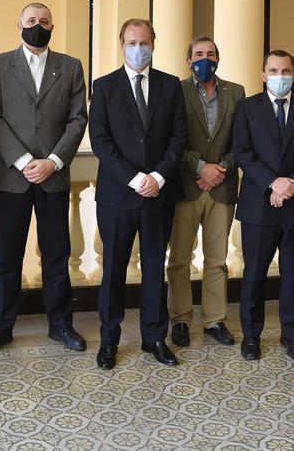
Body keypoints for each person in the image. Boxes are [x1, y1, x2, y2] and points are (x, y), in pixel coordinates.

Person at [0, 3, 89, 356]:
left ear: (52, 26)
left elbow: (78, 119)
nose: (36, 25)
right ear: (19, 25)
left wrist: (52, 162)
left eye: (43, 21)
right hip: (14, 177)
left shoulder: (71, 66)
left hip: (53, 177)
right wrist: (26, 161)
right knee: (7, 257)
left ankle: (61, 325)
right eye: (30, 21)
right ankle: (0, 328)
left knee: (57, 254)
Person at [89, 18, 187, 369]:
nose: (138, 48)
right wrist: (135, 178)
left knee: (154, 268)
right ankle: (109, 340)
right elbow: (100, 141)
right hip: (118, 195)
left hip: (159, 194)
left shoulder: (170, 86)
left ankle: (154, 338)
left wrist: (157, 177)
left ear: (153, 44)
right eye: (132, 42)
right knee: (113, 268)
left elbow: (179, 137)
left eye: (144, 42)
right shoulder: (104, 87)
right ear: (122, 45)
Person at [232, 50, 294, 363]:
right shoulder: (247, 108)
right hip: (258, 206)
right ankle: (251, 336)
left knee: (292, 274)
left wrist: (290, 185)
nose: (280, 76)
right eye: (273, 70)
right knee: (254, 274)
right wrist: (273, 183)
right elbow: (243, 152)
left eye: (286, 70)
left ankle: (292, 335)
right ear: (263, 75)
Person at [167, 36, 245, 348]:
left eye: (210, 53)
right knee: (179, 260)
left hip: (222, 187)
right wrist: (201, 167)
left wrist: (220, 169)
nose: (205, 59)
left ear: (218, 58)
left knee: (217, 259)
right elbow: (172, 139)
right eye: (198, 54)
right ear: (188, 60)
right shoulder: (176, 91)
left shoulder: (236, 92)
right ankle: (181, 319)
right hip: (186, 186)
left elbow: (242, 141)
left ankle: (215, 320)